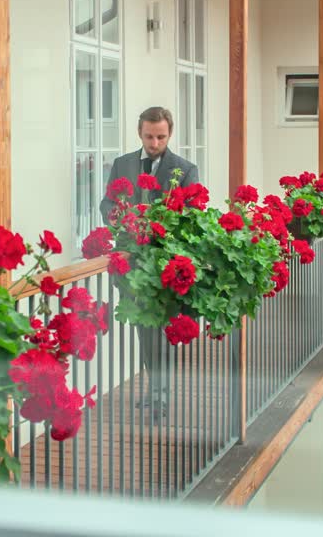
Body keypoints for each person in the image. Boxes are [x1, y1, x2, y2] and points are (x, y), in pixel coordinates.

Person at [100, 106, 199, 422]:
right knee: (145, 331)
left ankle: (162, 394)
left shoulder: (184, 169)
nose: (154, 142)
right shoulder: (122, 164)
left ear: (170, 134)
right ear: (139, 133)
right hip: (130, 263)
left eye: (160, 136)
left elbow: (190, 217)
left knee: (161, 331)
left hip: (163, 265)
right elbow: (107, 204)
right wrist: (118, 218)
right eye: (148, 136)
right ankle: (154, 389)